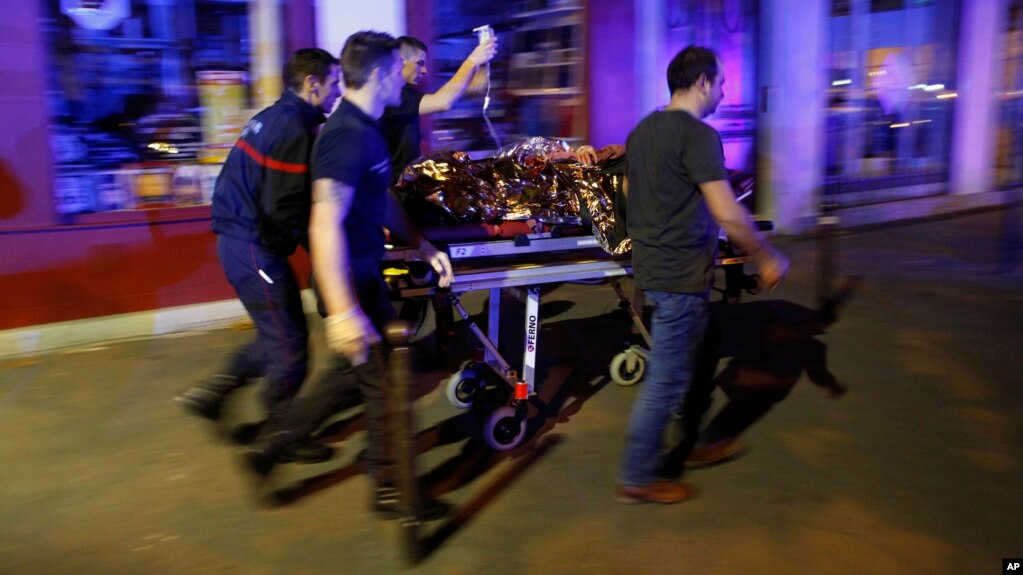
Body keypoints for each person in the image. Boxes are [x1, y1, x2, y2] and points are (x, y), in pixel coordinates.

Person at [243, 31, 455, 521]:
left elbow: (380, 197)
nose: (407, 79)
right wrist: (342, 312)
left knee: (349, 380)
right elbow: (324, 221)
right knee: (388, 386)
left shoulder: (367, 129)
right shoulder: (344, 135)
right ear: (380, 75)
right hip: (349, 282)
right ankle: (391, 489)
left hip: (361, 273)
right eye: (398, 70)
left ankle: (269, 450)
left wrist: (421, 245)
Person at [616, 45, 789, 504]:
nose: (724, 93)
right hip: (680, 275)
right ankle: (637, 475)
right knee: (667, 380)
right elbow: (726, 211)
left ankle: (690, 443)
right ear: (702, 83)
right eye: (722, 84)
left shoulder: (643, 131)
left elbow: (632, 191)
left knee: (704, 349)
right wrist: (766, 254)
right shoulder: (698, 135)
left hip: (656, 268)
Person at [175, 49, 341, 463]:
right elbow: (286, 207)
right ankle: (280, 437)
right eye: (334, 84)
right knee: (290, 347)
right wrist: (326, 252)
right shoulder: (295, 128)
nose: (337, 93)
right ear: (312, 84)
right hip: (253, 247)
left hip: (241, 243)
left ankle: (213, 394)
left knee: (279, 335)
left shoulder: (274, 117)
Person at [381, 35, 497, 186]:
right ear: (401, 61)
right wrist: (471, 62)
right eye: (420, 63)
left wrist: (468, 82)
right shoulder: (396, 96)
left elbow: (445, 97)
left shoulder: (406, 92)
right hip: (392, 189)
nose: (424, 71)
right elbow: (442, 101)